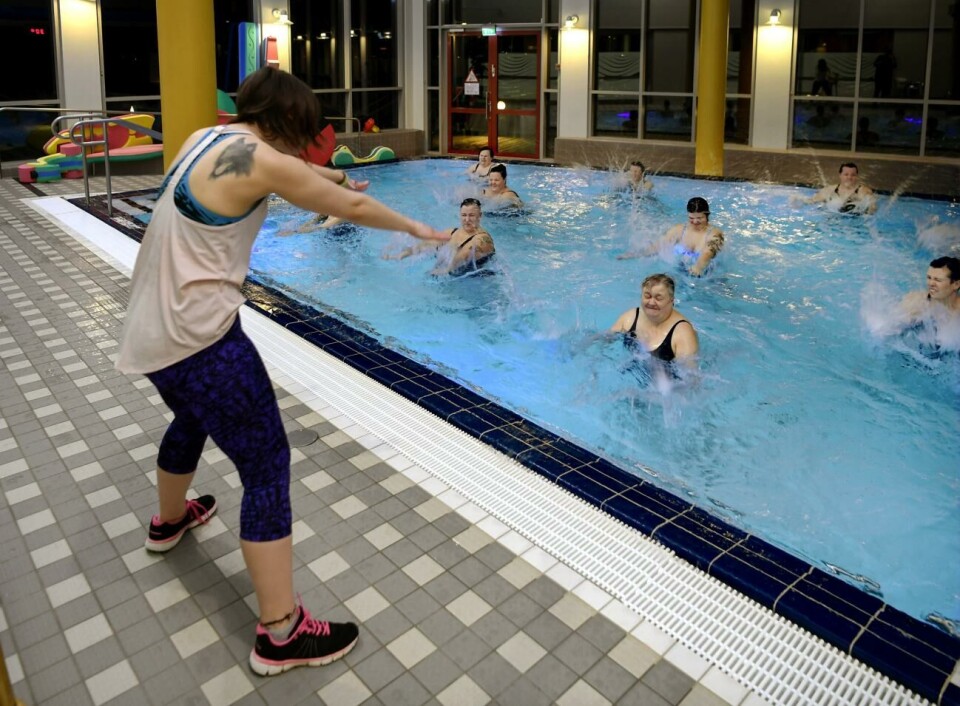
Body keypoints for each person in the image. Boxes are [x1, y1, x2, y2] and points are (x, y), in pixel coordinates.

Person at [114, 67, 448, 677]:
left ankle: (168, 520)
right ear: (289, 122)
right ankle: (281, 633)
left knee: (192, 417)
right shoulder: (267, 160)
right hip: (201, 341)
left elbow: (291, 173)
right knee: (267, 465)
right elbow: (341, 202)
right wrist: (417, 228)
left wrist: (328, 170)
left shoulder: (204, 140)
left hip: (153, 331)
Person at [617, 197, 724, 277]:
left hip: (707, 277)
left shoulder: (714, 234)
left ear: (707, 215)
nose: (695, 222)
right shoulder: (679, 230)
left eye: (699, 218)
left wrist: (698, 268)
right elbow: (659, 246)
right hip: (680, 273)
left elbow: (708, 253)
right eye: (691, 218)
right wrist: (635, 254)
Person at [385, 197, 495, 275]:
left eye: (471, 215)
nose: (467, 220)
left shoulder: (482, 239)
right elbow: (427, 244)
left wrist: (445, 270)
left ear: (480, 216)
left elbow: (464, 255)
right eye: (464, 215)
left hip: (474, 281)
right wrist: (404, 254)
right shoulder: (451, 232)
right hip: (453, 275)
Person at [610, 273, 699, 362]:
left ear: (671, 300)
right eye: (647, 296)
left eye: (658, 298)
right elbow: (604, 340)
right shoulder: (630, 317)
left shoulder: (683, 333)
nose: (651, 302)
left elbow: (689, 374)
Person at [898, 256, 960, 322]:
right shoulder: (916, 301)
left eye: (938, 280)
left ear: (956, 284)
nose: (930, 283)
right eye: (929, 278)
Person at [806, 162, 877, 214]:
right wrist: (798, 198)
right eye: (846, 174)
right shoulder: (830, 190)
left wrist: (870, 207)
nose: (849, 177)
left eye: (853, 175)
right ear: (840, 175)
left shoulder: (862, 191)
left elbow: (872, 209)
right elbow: (812, 201)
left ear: (857, 176)